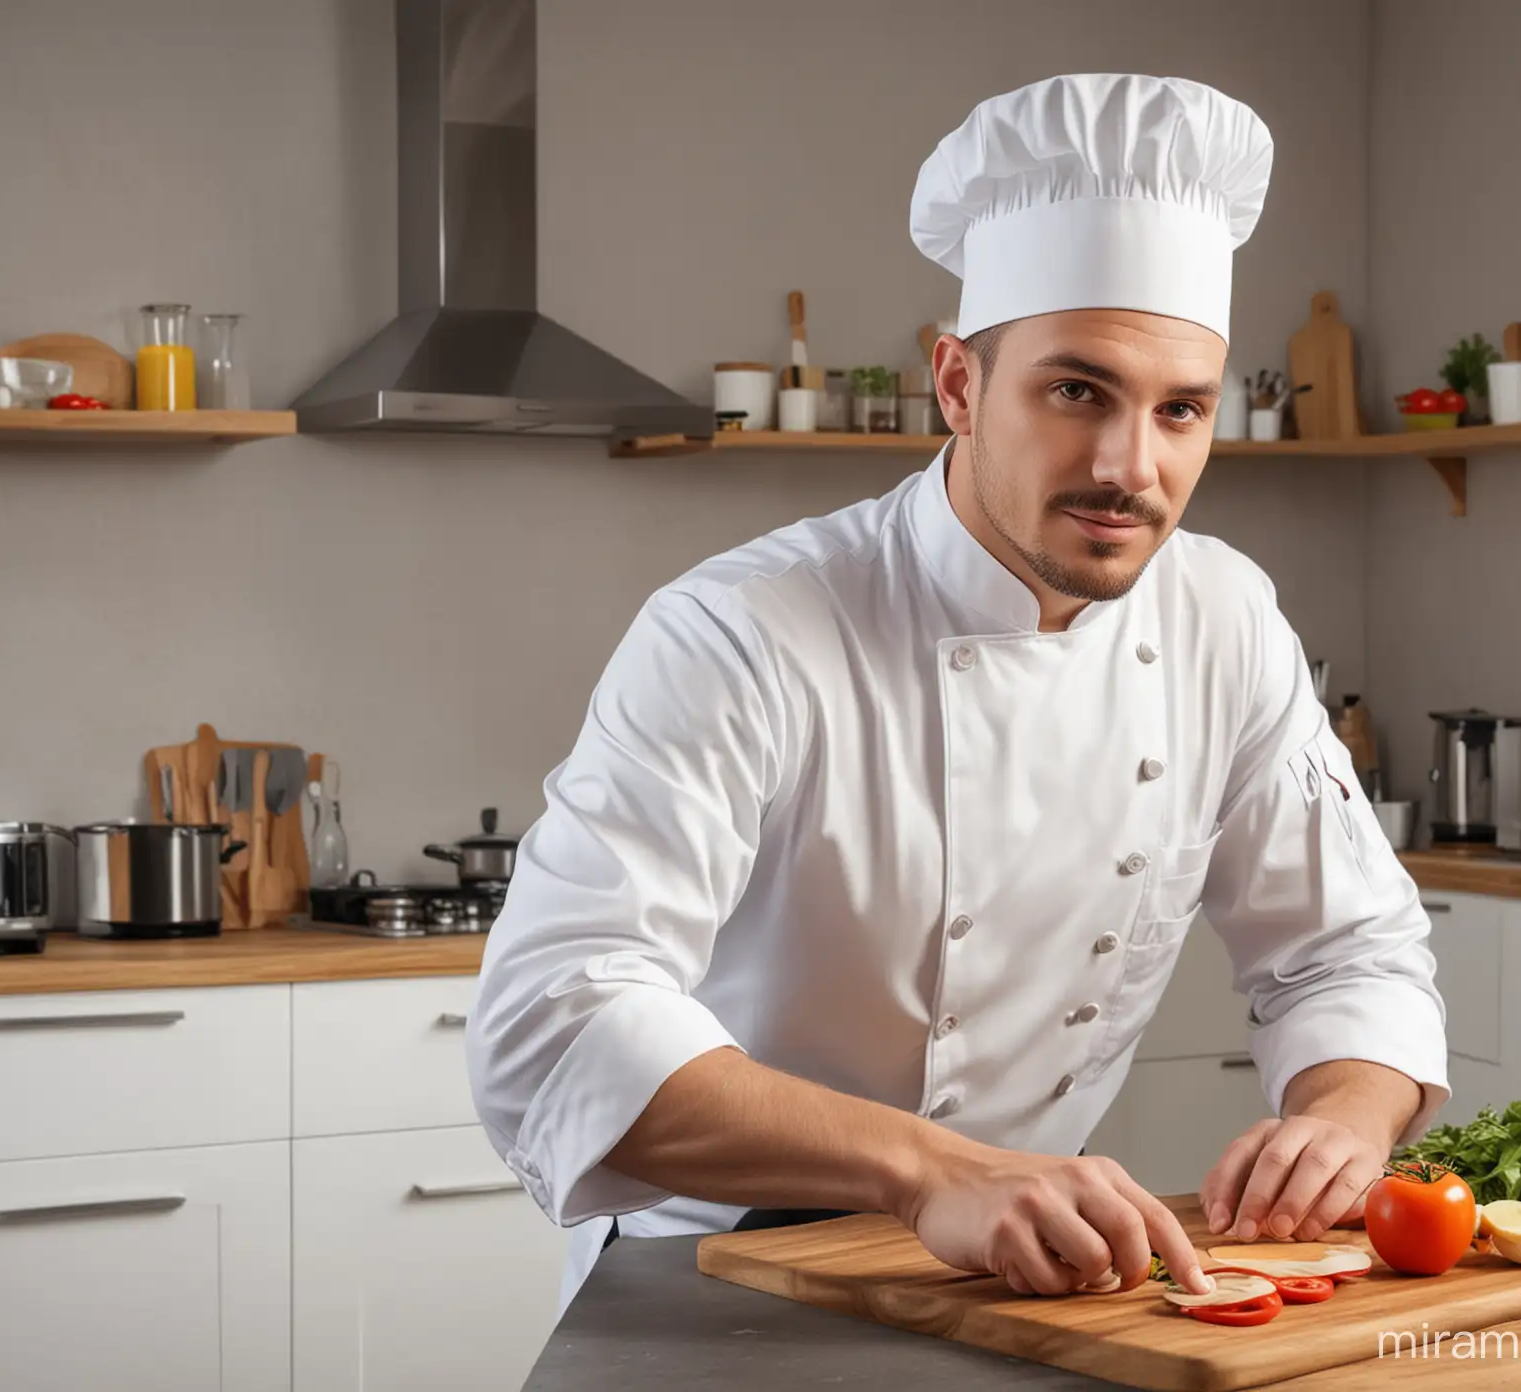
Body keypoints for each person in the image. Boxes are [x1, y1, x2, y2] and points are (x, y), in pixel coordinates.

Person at [467, 72, 1449, 1319]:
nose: (1126, 468)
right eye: (1076, 391)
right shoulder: (744, 632)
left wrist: (1344, 1117)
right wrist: (933, 1171)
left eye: (1181, 410)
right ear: (958, 385)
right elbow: (552, 1023)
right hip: (713, 1277)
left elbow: (1349, 949)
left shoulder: (1223, 617)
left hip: (1024, 1282)